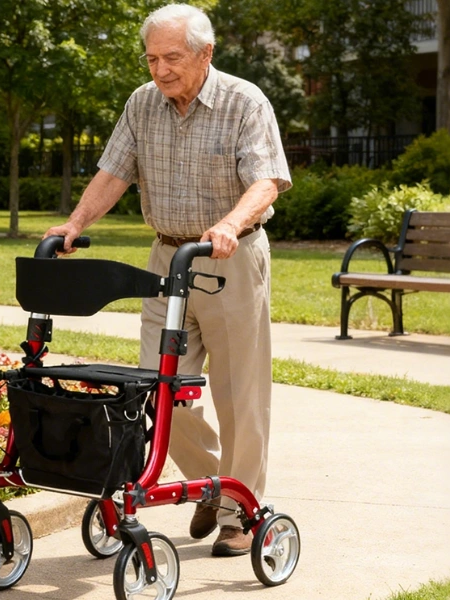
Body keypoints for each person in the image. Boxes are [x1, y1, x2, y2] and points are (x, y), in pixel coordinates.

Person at [44, 2, 291, 556]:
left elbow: (268, 180)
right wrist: (76, 223)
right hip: (166, 261)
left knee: (238, 394)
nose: (160, 70)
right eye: (152, 58)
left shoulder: (244, 101)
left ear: (206, 54)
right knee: (158, 389)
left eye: (172, 58)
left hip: (231, 258)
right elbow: (114, 171)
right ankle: (211, 484)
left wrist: (230, 222)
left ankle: (239, 513)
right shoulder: (142, 104)